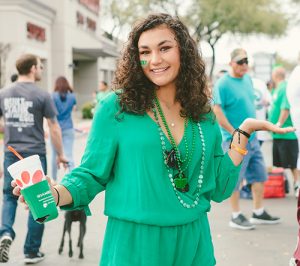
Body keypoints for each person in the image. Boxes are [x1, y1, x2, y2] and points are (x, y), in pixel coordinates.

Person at [12, 14, 294, 266]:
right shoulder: (115, 108)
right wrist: (57, 192)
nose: (155, 60)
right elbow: (90, 174)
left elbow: (219, 186)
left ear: (183, 51)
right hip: (134, 245)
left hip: (194, 243)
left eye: (165, 48)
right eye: (145, 52)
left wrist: (242, 132)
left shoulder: (203, 113)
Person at [0, 54, 68, 264]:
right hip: (35, 155)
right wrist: (61, 154)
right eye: (39, 67)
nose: (41, 70)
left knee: (9, 197)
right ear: (32, 69)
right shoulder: (42, 95)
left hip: (11, 152)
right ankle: (31, 251)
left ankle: (5, 233)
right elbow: (54, 128)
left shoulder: (3, 93)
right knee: (38, 200)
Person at [213, 48, 281, 230]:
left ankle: (258, 212)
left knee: (259, 175)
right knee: (235, 178)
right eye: (240, 62)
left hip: (253, 139)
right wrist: (235, 132)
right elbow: (217, 110)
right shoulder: (223, 84)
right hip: (234, 139)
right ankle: (235, 215)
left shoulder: (248, 80)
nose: (244, 65)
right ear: (231, 63)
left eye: (246, 61)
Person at [268, 66, 299, 196]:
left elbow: (285, 108)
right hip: (277, 134)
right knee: (281, 163)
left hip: (287, 133)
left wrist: (279, 125)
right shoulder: (277, 89)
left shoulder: (285, 87)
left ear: (275, 76)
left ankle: (297, 184)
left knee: (292, 163)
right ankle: (282, 185)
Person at [51, 76, 77, 180]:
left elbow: (51, 114)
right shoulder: (72, 96)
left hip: (56, 129)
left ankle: (53, 179)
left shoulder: (53, 96)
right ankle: (73, 179)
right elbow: (74, 109)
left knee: (54, 155)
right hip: (69, 128)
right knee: (69, 154)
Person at [252, 77, 272, 146]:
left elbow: (270, 101)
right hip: (250, 132)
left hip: (258, 132)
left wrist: (267, 102)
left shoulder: (261, 84)